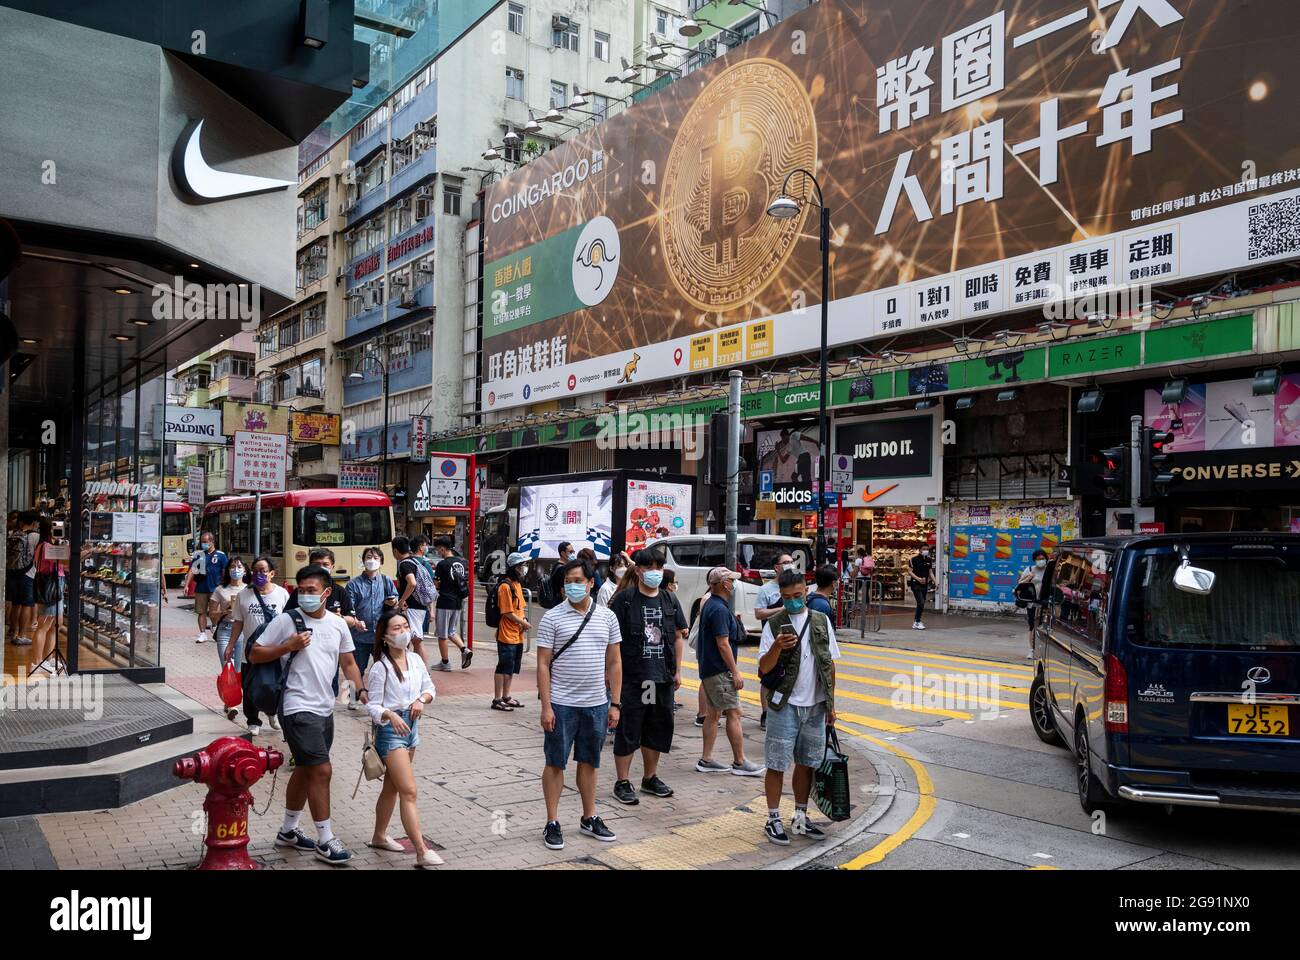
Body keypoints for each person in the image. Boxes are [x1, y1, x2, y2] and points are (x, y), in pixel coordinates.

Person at [248, 565, 365, 865]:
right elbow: (254, 653)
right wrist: (288, 645)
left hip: (325, 706)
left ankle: (287, 831)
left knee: (304, 767)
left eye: (311, 590)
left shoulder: (338, 624)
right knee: (321, 770)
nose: (305, 595)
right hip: (296, 706)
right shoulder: (289, 620)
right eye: (301, 590)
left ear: (327, 592)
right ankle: (325, 840)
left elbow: (348, 661)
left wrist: (360, 690)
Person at [536, 558, 622, 850]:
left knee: (589, 762)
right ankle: (552, 822)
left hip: (596, 704)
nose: (572, 586)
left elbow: (614, 662)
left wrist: (615, 704)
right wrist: (546, 706)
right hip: (561, 705)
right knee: (555, 762)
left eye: (577, 581)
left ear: (591, 583)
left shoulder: (607, 617)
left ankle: (589, 817)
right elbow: (543, 664)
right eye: (567, 582)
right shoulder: (552, 618)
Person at [757, 569, 840, 845]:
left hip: (815, 707)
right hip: (785, 705)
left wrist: (831, 705)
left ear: (806, 590)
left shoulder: (820, 620)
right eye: (786, 597)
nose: (793, 601)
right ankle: (772, 818)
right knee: (777, 764)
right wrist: (778, 647)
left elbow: (830, 665)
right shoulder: (774, 624)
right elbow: (764, 668)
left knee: (806, 764)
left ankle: (801, 817)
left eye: (797, 595)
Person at [607, 549, 687, 805]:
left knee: (657, 727)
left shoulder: (669, 600)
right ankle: (623, 780)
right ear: (638, 570)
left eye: (659, 567)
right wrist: (609, 675)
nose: (655, 572)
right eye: (649, 567)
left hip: (660, 678)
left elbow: (677, 637)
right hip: (633, 677)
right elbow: (612, 643)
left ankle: (650, 777)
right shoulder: (625, 600)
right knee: (629, 729)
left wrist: (678, 670)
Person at [365, 608, 441, 867]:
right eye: (396, 628)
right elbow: (372, 706)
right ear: (384, 636)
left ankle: (378, 836)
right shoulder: (380, 668)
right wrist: (390, 714)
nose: (402, 632)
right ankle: (421, 851)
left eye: (405, 626)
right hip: (390, 732)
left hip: (412, 729)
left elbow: (430, 688)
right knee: (409, 791)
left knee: (392, 787)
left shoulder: (416, 660)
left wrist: (421, 700)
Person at [695, 566, 764, 777]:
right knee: (734, 713)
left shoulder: (712, 605)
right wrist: (735, 671)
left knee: (714, 714)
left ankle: (706, 759)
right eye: (731, 581)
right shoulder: (718, 609)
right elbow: (723, 643)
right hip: (719, 669)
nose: (733, 584)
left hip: (710, 668)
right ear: (724, 584)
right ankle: (740, 761)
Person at [229, 555, 290, 736]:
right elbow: (238, 622)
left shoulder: (282, 594)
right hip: (250, 651)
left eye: (263, 571)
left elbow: (289, 621)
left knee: (274, 685)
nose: (259, 574)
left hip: (275, 651)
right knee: (249, 687)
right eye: (255, 571)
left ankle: (273, 713)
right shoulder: (243, 595)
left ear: (272, 573)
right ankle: (253, 720)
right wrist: (231, 644)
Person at [346, 546, 399, 709]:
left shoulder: (386, 581)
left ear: (381, 561)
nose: (372, 560)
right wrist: (356, 621)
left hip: (381, 635)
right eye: (369, 557)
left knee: (383, 667)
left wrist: (393, 601)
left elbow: (395, 597)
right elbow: (350, 607)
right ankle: (353, 697)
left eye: (376, 558)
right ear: (363, 561)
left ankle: (380, 697)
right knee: (357, 668)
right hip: (359, 635)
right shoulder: (353, 584)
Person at [753, 553, 794, 730]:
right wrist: (781, 609)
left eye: (791, 562)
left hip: (791, 638)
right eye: (786, 562)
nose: (790, 565)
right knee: (767, 678)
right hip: (771, 639)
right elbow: (759, 613)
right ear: (776, 567)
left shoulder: (794, 587)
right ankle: (766, 713)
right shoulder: (766, 590)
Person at [493, 552, 531, 711]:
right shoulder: (505, 586)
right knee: (503, 666)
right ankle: (497, 699)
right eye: (522, 565)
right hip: (506, 634)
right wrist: (523, 622)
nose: (524, 568)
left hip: (517, 635)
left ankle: (506, 696)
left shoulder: (516, 584)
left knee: (512, 667)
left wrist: (523, 622)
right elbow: (507, 612)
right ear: (515, 567)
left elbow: (519, 608)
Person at [28, 517, 65, 675]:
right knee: (44, 625)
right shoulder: (45, 546)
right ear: (49, 530)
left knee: (56, 624)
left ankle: (47, 659)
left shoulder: (47, 545)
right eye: (55, 527)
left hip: (56, 586)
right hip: (51, 587)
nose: (58, 530)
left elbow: (63, 562)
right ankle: (36, 663)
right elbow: (64, 560)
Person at [211, 557, 247, 720]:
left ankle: (229, 699)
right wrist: (222, 612)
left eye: (239, 566)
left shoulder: (249, 590)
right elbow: (211, 614)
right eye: (232, 566)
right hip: (225, 630)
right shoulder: (220, 590)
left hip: (242, 633)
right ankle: (232, 704)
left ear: (245, 570)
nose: (236, 569)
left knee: (237, 670)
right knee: (227, 666)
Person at [432, 535, 471, 671]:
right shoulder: (462, 562)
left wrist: (439, 584)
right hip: (458, 602)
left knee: (442, 634)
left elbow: (436, 583)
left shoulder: (442, 564)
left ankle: (445, 663)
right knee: (452, 631)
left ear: (443, 549)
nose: (438, 552)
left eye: (438, 550)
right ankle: (465, 649)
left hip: (445, 602)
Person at [185, 532, 227, 644]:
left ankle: (215, 626)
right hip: (201, 588)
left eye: (205, 542)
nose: (203, 544)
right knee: (201, 612)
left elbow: (224, 572)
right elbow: (192, 570)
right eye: (202, 542)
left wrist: (225, 586)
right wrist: (186, 585)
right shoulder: (199, 555)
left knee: (214, 612)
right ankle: (202, 633)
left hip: (216, 589)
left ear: (212, 542)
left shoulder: (221, 555)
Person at [5, 511, 39, 647]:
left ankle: (13, 632)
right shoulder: (35, 536)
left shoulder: (14, 534)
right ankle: (22, 635)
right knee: (26, 604)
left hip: (13, 573)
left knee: (15, 604)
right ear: (34, 523)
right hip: (28, 573)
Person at [392, 536, 430, 657]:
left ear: (395, 551)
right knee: (412, 639)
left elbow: (412, 582)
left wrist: (402, 600)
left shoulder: (405, 564)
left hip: (413, 607)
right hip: (420, 605)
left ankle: (423, 671)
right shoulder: (414, 561)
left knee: (416, 641)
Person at [1017, 548, 1050, 652]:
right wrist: (1029, 578)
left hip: (1045, 602)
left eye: (1043, 558)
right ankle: (1032, 649)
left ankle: (1042, 649)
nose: (1041, 561)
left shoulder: (1049, 571)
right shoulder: (1030, 569)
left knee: (1044, 627)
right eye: (1038, 559)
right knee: (1032, 626)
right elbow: (1020, 584)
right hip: (1032, 603)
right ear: (1035, 560)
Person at [908, 544, 935, 630]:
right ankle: (917, 621)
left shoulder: (929, 560)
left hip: (924, 584)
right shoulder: (913, 559)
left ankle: (916, 621)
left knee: (921, 603)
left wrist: (936, 582)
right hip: (915, 584)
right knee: (921, 602)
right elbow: (910, 571)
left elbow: (930, 572)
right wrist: (918, 579)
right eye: (923, 549)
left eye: (927, 549)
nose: (925, 551)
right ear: (919, 550)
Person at [544, 541, 573, 609]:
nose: (573, 554)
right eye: (571, 552)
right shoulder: (562, 568)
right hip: (560, 603)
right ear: (563, 553)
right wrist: (567, 606)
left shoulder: (557, 565)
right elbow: (563, 590)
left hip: (556, 602)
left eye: (573, 551)